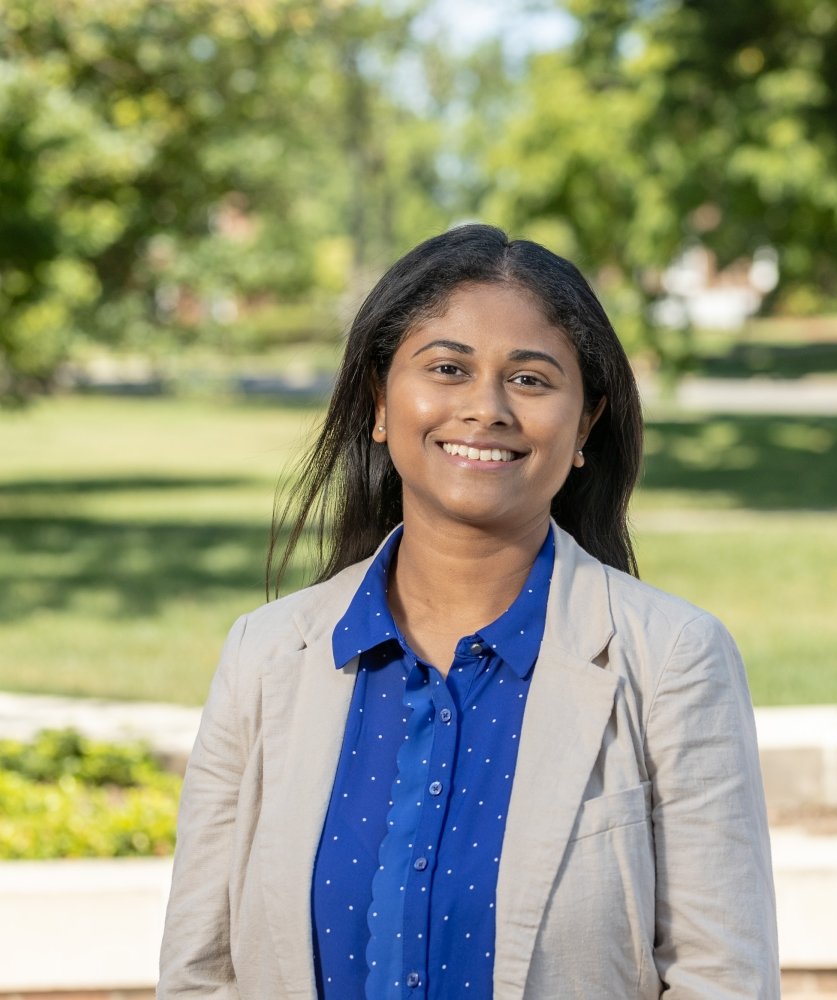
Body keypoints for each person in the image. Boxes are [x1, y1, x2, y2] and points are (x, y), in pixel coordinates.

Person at [158, 224, 779, 1000]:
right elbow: (198, 976)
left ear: (584, 425)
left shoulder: (673, 659)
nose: (485, 408)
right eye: (448, 368)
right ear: (378, 403)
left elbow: (723, 980)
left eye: (530, 379)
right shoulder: (263, 655)